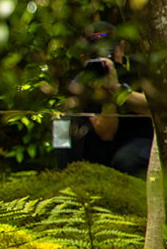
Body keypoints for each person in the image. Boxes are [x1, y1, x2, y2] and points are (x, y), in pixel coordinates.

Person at [54, 21, 152, 177]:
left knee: (126, 159)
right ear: (84, 56)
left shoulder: (138, 71)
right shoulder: (84, 82)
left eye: (109, 51)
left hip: (140, 142)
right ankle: (63, 178)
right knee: (61, 121)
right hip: (107, 144)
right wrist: (105, 96)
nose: (103, 59)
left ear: (121, 47)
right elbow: (106, 132)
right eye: (95, 54)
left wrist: (117, 88)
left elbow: (155, 105)